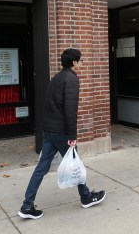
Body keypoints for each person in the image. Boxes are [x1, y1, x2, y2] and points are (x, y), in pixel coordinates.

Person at [18, 48, 105, 220]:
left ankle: (27, 205)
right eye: (80, 60)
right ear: (74, 62)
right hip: (61, 132)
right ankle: (86, 197)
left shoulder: (57, 78)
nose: (81, 63)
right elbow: (70, 110)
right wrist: (72, 136)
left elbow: (49, 105)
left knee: (41, 168)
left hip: (49, 130)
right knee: (76, 165)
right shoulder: (71, 79)